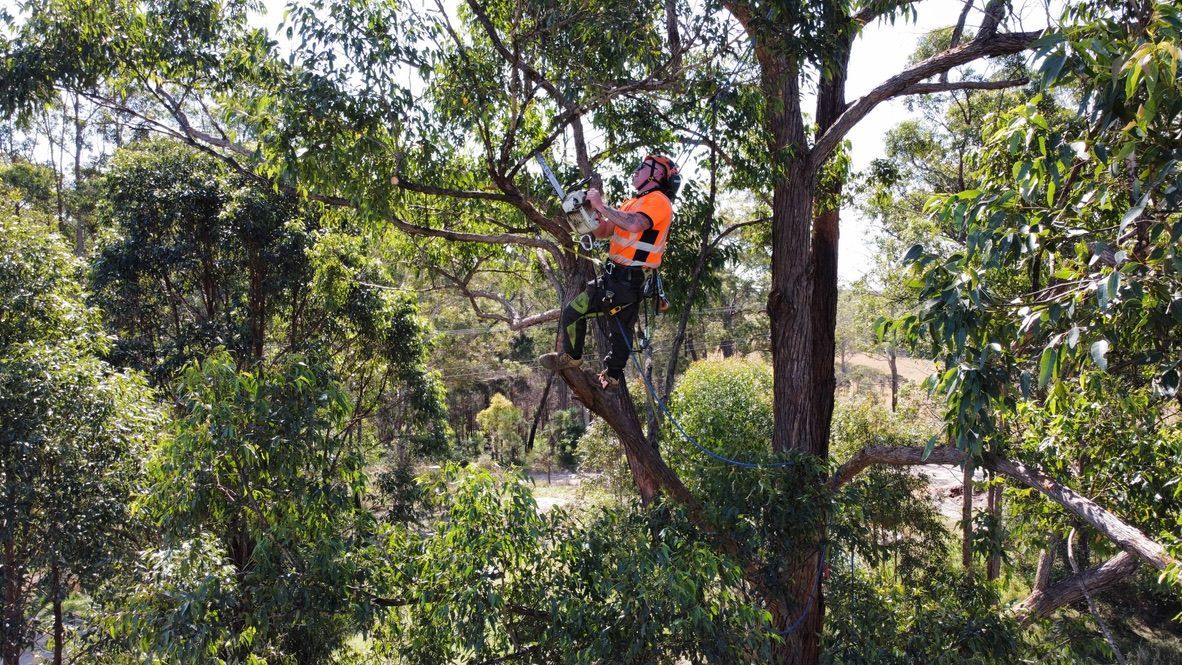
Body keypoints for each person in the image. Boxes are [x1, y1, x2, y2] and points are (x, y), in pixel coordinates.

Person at [541, 154, 680, 389]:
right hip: (611, 276)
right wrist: (585, 217)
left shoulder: (659, 201)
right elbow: (605, 230)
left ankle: (612, 376)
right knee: (573, 312)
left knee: (621, 336)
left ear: (657, 175)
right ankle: (572, 357)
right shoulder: (630, 202)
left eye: (643, 167)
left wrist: (601, 206)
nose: (636, 170)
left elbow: (636, 224)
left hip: (630, 282)